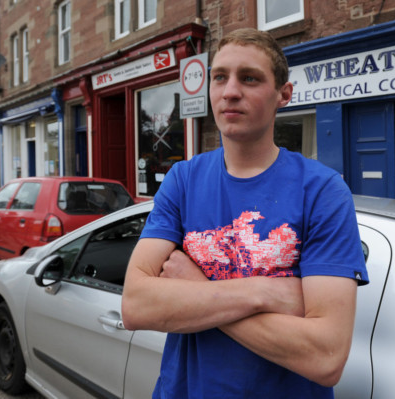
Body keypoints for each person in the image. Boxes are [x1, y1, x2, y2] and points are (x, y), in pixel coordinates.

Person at [122, 28, 368, 399]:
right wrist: (266, 292)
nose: (230, 91)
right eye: (220, 77)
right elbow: (136, 306)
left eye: (249, 78)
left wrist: (198, 288)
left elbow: (325, 357)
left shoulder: (322, 191)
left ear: (283, 94)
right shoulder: (183, 179)